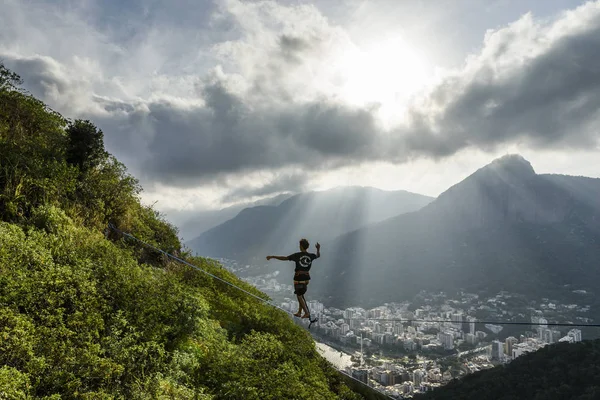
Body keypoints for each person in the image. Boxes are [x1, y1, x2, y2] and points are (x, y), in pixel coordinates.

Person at [266, 238, 320, 318]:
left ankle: (306, 312)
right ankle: (299, 312)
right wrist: (318, 249)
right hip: (306, 278)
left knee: (299, 295)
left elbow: (285, 258)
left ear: (301, 246)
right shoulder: (311, 256)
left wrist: (273, 256)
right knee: (301, 295)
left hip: (299, 278)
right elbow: (318, 255)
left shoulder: (297, 255)